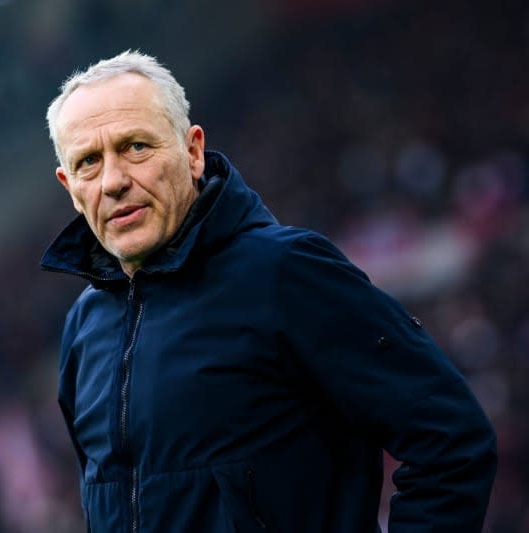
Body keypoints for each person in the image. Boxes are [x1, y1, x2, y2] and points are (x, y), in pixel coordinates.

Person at [40, 50, 497, 532]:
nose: (113, 181)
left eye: (135, 147)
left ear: (192, 151)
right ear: (69, 186)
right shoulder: (82, 330)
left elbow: (451, 441)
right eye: (89, 162)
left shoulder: (285, 273)